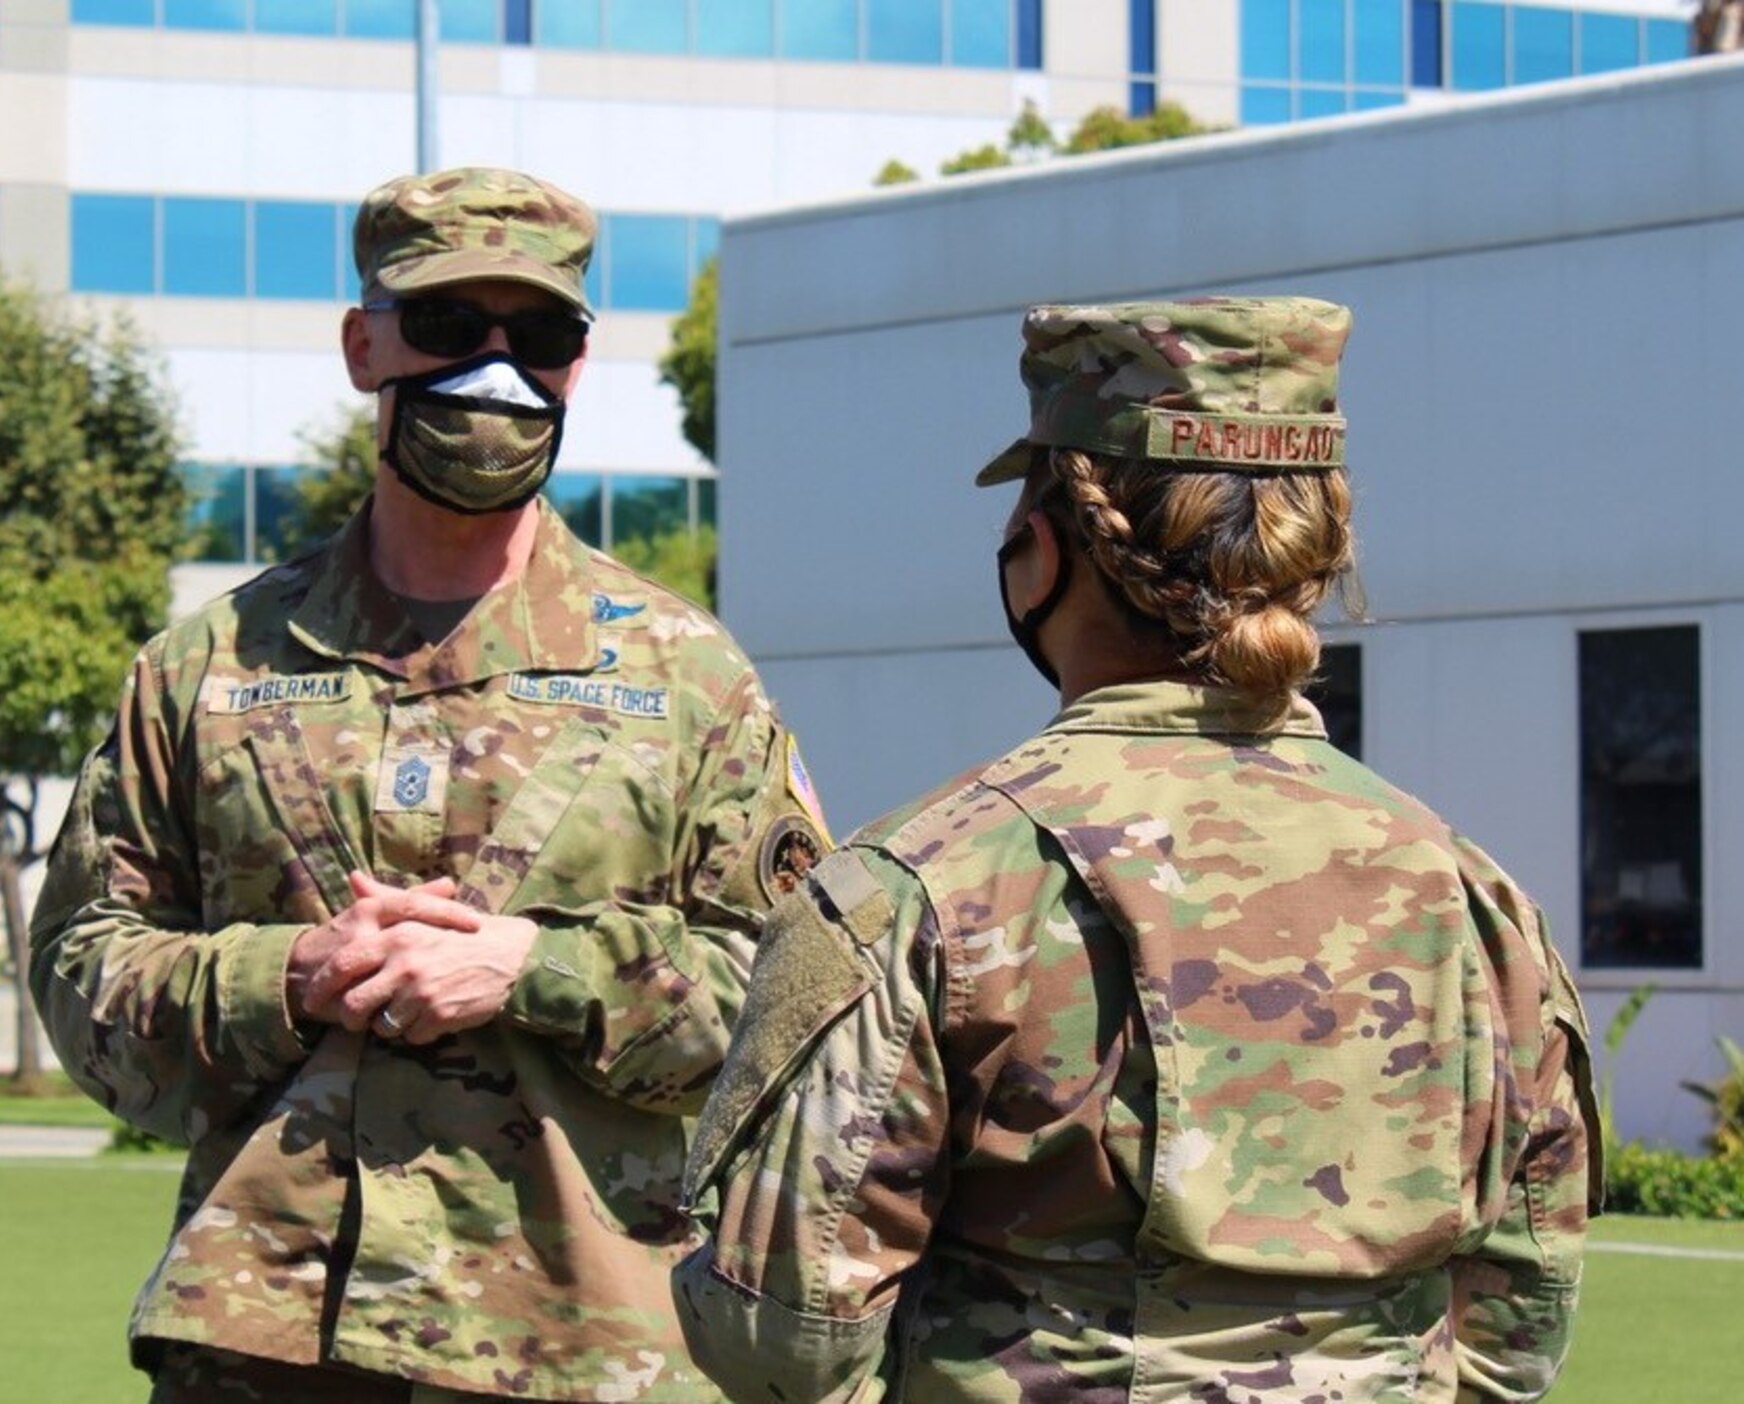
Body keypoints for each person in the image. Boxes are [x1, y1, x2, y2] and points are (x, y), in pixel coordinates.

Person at [673, 298, 1602, 1403]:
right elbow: (1516, 1332)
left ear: (1042, 550)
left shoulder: (919, 890)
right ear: (1313, 555)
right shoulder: (1476, 901)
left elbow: (780, 1338)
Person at [30, 166, 830, 1403]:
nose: (495, 371)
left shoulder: (685, 676)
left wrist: (537, 969)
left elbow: (795, 1005)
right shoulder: (209, 667)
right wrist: (282, 976)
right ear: (364, 346)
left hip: (582, 1350)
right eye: (450, 328)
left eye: (542, 335)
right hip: (268, 1338)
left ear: (577, 364)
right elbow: (83, 969)